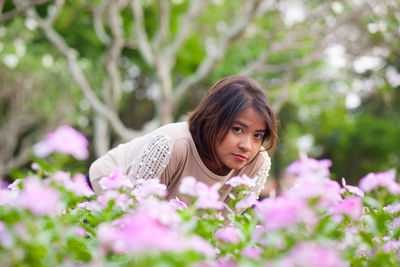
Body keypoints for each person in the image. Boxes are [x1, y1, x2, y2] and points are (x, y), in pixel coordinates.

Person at [89, 75, 278, 207]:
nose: (247, 145)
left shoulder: (255, 164)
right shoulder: (172, 145)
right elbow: (132, 212)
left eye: (257, 135)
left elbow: (224, 228)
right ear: (213, 119)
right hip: (106, 192)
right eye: (237, 129)